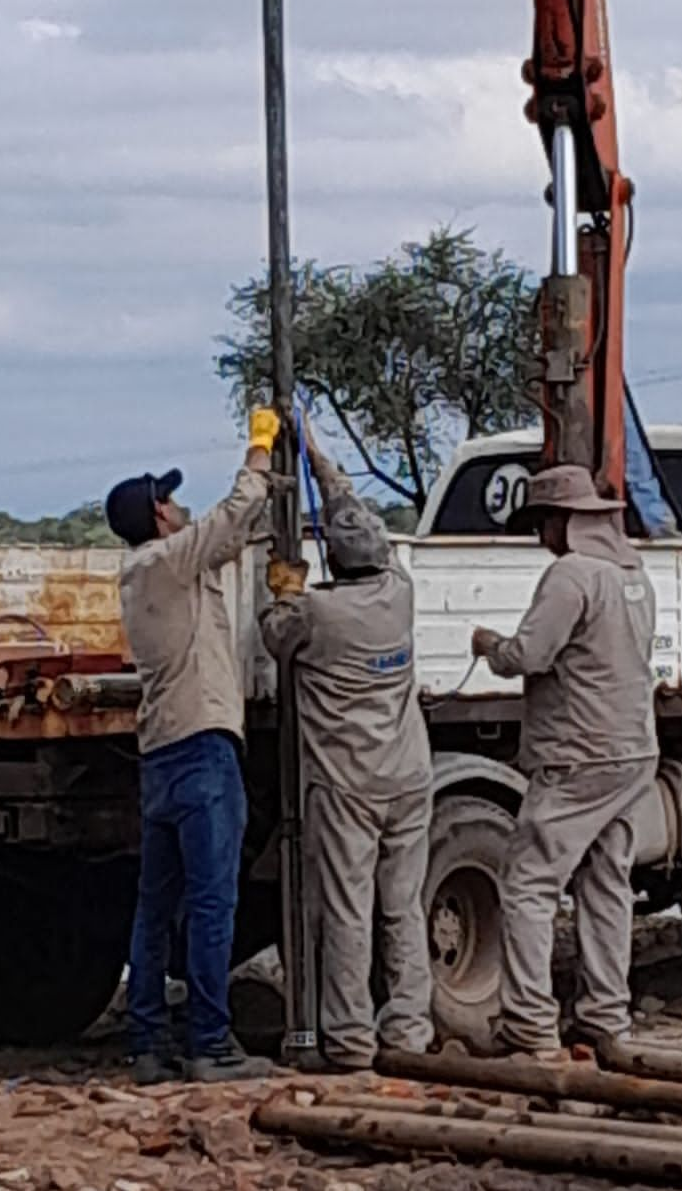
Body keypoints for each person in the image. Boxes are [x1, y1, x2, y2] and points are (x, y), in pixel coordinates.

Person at [106, 407, 280, 1085]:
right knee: (213, 901)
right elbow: (231, 517)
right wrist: (259, 452)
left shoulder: (148, 575)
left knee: (157, 904)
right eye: (170, 500)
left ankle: (147, 1039)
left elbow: (225, 540)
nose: (179, 506)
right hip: (204, 747)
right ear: (157, 517)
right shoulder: (170, 562)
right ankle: (211, 1041)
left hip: (161, 755)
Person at [259, 422, 434, 1072]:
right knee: (403, 905)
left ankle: (351, 1039)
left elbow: (276, 635)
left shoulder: (318, 613)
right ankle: (410, 1030)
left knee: (347, 910)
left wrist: (283, 586)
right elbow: (355, 515)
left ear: (332, 561)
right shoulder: (401, 593)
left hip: (348, 784)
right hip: (409, 776)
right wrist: (319, 456)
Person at [471, 464, 658, 1060]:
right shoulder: (634, 577)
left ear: (564, 521)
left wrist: (488, 646)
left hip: (580, 751)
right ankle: (605, 1015)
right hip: (633, 747)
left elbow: (530, 654)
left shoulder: (570, 576)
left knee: (528, 881)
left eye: (543, 522)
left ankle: (528, 1021)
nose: (540, 535)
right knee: (607, 881)